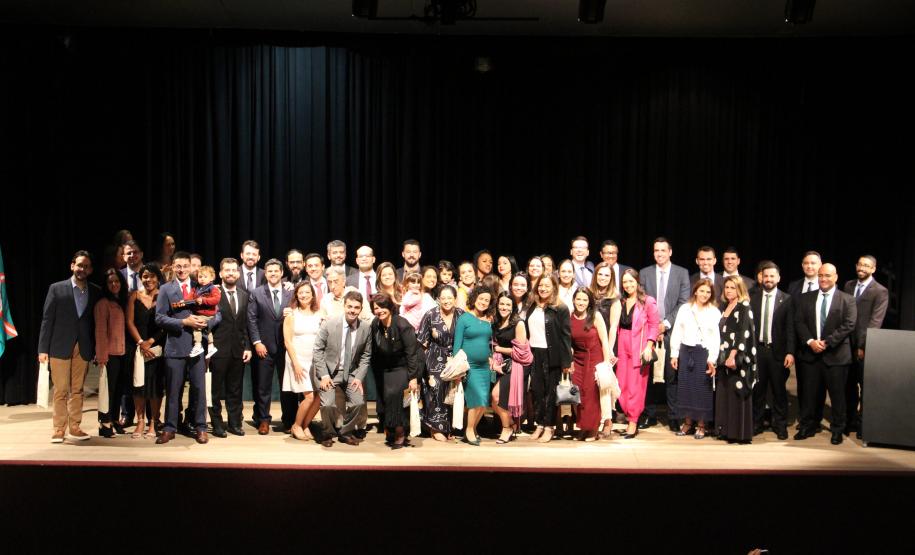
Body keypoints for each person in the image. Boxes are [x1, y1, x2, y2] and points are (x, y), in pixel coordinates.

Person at [154, 252, 222, 444]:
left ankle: (200, 427)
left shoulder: (200, 285)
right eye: (178, 266)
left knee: (199, 389)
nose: (182, 269)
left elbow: (218, 314)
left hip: (197, 347)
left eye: (185, 266)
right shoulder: (166, 289)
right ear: (173, 267)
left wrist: (205, 323)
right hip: (175, 347)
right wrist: (183, 322)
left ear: (191, 267)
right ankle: (169, 427)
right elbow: (159, 317)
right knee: (173, 390)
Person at [38, 250, 101, 443]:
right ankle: (59, 429)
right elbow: (47, 320)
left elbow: (95, 323)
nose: (82, 269)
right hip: (59, 345)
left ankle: (75, 427)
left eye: (86, 266)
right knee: (60, 390)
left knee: (78, 389)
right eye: (79, 265)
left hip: (83, 346)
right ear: (72, 266)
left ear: (90, 270)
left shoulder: (95, 291)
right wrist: (42, 349)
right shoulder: (56, 288)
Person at [794, 263, 857, 445]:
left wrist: (827, 342)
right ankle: (808, 426)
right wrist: (810, 342)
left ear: (836, 277)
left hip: (836, 356)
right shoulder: (806, 298)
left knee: (837, 396)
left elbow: (849, 324)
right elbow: (799, 322)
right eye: (821, 275)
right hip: (811, 355)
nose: (823, 279)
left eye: (827, 275)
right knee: (809, 395)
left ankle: (837, 430)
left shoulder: (847, 299)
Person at [639, 237, 691, 432]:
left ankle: (673, 416)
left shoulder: (681, 273)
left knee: (672, 375)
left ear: (670, 252)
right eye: (656, 250)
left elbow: (683, 302)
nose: (659, 254)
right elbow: (641, 301)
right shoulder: (645, 273)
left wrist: (665, 325)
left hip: (672, 332)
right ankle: (649, 414)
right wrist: (654, 327)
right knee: (649, 374)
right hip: (649, 333)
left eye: (663, 250)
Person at [311, 291, 373, 446]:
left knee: (358, 403)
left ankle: (346, 432)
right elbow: (317, 350)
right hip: (328, 372)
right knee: (327, 405)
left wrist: (358, 377)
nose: (352, 310)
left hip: (351, 372)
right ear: (344, 306)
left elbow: (366, 356)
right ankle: (328, 433)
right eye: (349, 306)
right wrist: (324, 375)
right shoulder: (329, 323)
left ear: (360, 309)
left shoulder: (365, 328)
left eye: (356, 307)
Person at [842, 255, 888, 439]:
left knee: (865, 387)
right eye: (860, 264)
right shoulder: (848, 285)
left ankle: (863, 425)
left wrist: (862, 346)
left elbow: (875, 322)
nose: (862, 267)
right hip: (845, 344)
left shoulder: (880, 291)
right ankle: (850, 421)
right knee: (848, 386)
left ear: (873, 269)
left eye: (866, 265)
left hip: (866, 347)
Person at [247, 258, 294, 434]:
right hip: (264, 348)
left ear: (282, 273)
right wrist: (257, 342)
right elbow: (251, 319)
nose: (273, 274)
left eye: (276, 271)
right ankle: (263, 420)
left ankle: (289, 420)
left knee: (287, 387)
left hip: (286, 347)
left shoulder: (291, 292)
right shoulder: (256, 293)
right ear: (265, 274)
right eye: (269, 271)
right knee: (263, 386)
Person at [669, 279, 721, 440]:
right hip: (686, 352)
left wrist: (712, 358)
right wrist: (674, 353)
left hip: (703, 354)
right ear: (695, 291)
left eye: (708, 292)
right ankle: (687, 423)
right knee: (685, 389)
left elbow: (716, 338)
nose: (704, 294)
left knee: (702, 391)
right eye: (702, 291)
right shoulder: (685, 309)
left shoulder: (714, 311)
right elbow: (677, 330)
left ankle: (701, 425)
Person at [749, 261, 795, 440]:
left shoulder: (787, 299)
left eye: (772, 276)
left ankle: (780, 425)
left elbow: (790, 328)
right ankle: (757, 423)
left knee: (779, 391)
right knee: (758, 391)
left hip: (778, 352)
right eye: (766, 276)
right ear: (761, 278)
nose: (768, 279)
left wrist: (790, 352)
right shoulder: (753, 297)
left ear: (778, 278)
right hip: (758, 351)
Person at [524, 274, 572, 443]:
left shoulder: (560, 308)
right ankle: (539, 424)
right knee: (537, 391)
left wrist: (567, 361)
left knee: (551, 393)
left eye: (547, 285)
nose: (543, 288)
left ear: (554, 287)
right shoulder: (533, 306)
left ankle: (549, 426)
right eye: (540, 286)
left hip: (553, 355)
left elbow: (566, 336)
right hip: (535, 353)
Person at [369, 292, 420, 449]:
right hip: (384, 368)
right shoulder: (375, 324)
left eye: (383, 307)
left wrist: (413, 377)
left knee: (395, 395)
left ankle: (400, 432)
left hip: (402, 367)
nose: (380, 311)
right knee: (384, 398)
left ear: (390, 307)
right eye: (376, 308)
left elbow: (412, 353)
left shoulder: (402, 324)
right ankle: (389, 427)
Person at [209, 258, 251, 437]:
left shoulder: (244, 295)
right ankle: (217, 424)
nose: (231, 273)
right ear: (220, 274)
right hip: (218, 350)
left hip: (238, 349)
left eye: (234, 270)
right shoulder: (213, 294)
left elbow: (247, 324)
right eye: (227, 270)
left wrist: (248, 346)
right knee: (216, 390)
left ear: (238, 273)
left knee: (235, 389)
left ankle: (234, 423)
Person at [615, 269, 659, 439]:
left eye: (631, 281)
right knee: (622, 385)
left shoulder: (647, 301)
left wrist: (649, 346)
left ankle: (633, 421)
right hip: (622, 345)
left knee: (635, 387)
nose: (628, 285)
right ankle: (628, 415)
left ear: (637, 282)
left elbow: (654, 325)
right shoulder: (621, 301)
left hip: (638, 347)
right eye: (625, 282)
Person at [417, 285, 463, 441]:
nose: (446, 301)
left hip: (455, 359)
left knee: (451, 393)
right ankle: (435, 427)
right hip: (434, 358)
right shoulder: (430, 315)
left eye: (449, 298)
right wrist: (421, 367)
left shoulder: (461, 315)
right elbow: (422, 343)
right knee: (435, 390)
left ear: (455, 299)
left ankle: (448, 427)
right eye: (443, 298)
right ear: (438, 299)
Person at [126, 263, 166, 439]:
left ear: (158, 278)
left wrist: (151, 341)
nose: (148, 280)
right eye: (145, 276)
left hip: (158, 346)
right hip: (139, 347)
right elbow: (129, 322)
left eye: (151, 276)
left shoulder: (164, 296)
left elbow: (166, 322)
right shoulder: (134, 295)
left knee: (155, 385)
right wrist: (141, 342)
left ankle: (153, 422)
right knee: (139, 385)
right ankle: (140, 420)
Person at [715, 276, 757, 444]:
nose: (729, 290)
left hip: (737, 359)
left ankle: (739, 433)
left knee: (737, 394)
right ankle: (727, 431)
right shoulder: (726, 306)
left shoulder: (743, 306)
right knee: (726, 394)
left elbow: (743, 333)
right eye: (727, 288)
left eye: (733, 287)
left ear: (740, 289)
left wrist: (733, 355)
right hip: (724, 358)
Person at [452, 286, 495, 446]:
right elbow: (457, 345)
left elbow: (488, 343)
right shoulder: (464, 318)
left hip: (484, 366)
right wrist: (458, 368)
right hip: (469, 367)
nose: (483, 302)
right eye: (481, 298)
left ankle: (473, 428)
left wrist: (490, 357)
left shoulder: (488, 320)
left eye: (487, 300)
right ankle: (469, 430)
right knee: (474, 400)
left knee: (483, 402)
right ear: (474, 299)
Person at [569, 288, 612, 441]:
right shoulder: (570, 317)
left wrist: (607, 363)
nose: (581, 303)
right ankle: (582, 427)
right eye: (578, 299)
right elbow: (571, 342)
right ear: (574, 300)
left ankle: (593, 429)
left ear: (589, 302)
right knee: (578, 393)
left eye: (584, 300)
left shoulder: (595, 316)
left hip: (594, 358)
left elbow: (605, 341)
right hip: (578, 360)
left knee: (591, 394)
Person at [282, 282, 322, 442]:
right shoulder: (292, 315)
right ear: (296, 295)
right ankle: (296, 425)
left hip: (315, 360)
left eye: (307, 292)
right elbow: (288, 342)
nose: (304, 295)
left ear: (313, 295)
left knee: (320, 396)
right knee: (310, 396)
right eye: (301, 293)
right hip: (297, 359)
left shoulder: (319, 314)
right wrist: (296, 364)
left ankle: (306, 425)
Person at [94, 268, 128, 438]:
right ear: (105, 285)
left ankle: (114, 420)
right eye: (110, 282)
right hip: (109, 355)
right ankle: (104, 423)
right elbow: (100, 332)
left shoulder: (121, 301)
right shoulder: (102, 304)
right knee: (108, 391)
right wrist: (101, 356)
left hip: (122, 353)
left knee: (118, 390)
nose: (114, 284)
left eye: (117, 281)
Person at [588, 261, 621, 434]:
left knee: (604, 383)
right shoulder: (588, 293)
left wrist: (609, 350)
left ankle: (608, 421)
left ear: (611, 278)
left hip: (604, 345)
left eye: (607, 275)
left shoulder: (614, 299)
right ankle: (592, 419)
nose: (603, 278)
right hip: (588, 344)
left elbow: (613, 327)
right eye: (600, 274)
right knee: (590, 384)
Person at [490, 292, 527, 444]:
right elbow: (490, 345)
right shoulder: (495, 322)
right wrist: (493, 362)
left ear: (512, 307)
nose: (504, 307)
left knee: (496, 396)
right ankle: (511, 424)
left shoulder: (518, 323)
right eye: (502, 304)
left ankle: (506, 428)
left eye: (507, 305)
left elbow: (521, 351)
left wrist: (500, 349)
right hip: (499, 364)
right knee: (493, 400)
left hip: (516, 365)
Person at [180, 265, 220, 359]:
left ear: (212, 278)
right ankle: (211, 346)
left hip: (208, 314)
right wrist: (184, 301)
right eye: (200, 277)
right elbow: (190, 296)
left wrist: (203, 300)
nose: (202, 279)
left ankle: (198, 345)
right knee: (206, 329)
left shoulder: (213, 288)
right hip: (200, 313)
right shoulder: (196, 288)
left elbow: (216, 300)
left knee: (196, 325)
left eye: (205, 277)